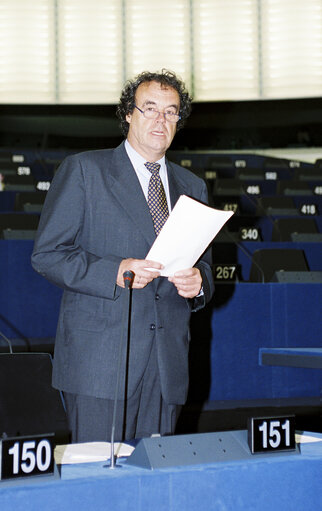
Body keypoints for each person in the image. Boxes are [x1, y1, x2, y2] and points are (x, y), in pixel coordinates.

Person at [31, 70, 214, 443]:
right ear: (128, 114)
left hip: (167, 367)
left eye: (171, 111)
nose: (160, 120)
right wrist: (113, 272)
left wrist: (199, 284)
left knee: (153, 486)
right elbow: (47, 255)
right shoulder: (85, 170)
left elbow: (205, 267)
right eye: (149, 109)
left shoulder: (192, 186)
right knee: (99, 485)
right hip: (100, 362)